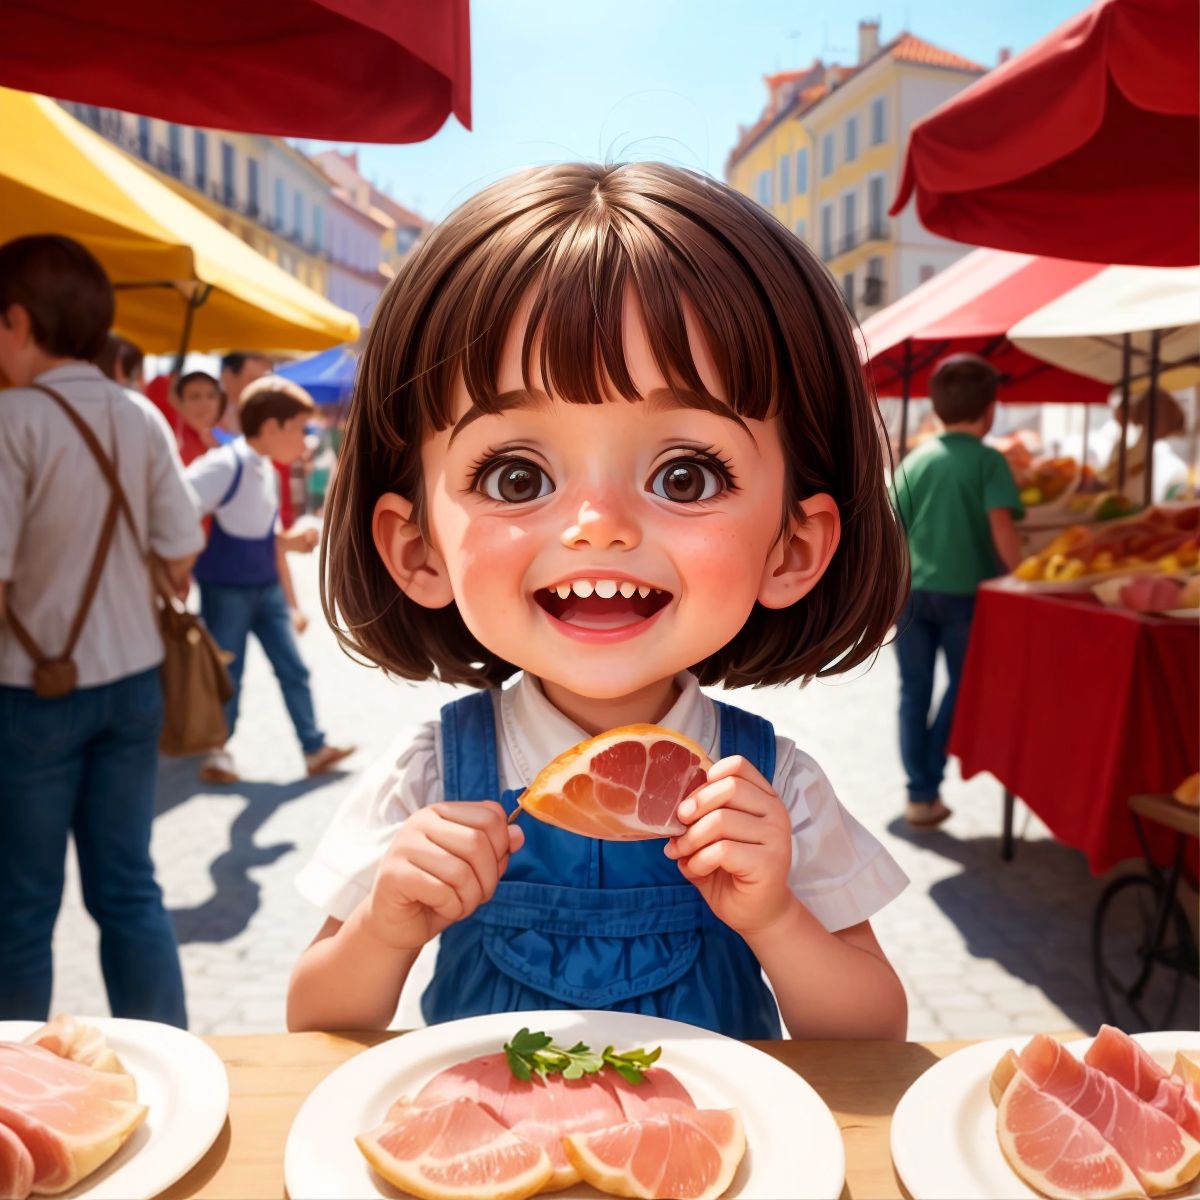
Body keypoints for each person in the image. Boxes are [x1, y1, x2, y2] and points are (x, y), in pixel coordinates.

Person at [287, 162, 911, 1041]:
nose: (599, 526)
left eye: (686, 475)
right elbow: (315, 1019)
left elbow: (873, 1034)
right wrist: (384, 929)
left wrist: (777, 919)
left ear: (793, 546)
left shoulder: (776, 789)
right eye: (515, 476)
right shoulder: (428, 777)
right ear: (417, 547)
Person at [0, 235, 203, 1025]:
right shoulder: (139, 413)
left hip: (31, 692)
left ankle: (15, 1087)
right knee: (128, 889)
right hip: (133, 683)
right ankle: (172, 1055)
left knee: (21, 907)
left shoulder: (10, 419)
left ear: (17, 321)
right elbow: (180, 549)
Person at [185, 376, 353, 785]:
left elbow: (268, 537)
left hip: (266, 588)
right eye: (298, 428)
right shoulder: (225, 463)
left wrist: (293, 599)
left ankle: (314, 748)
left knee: (293, 668)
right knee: (227, 673)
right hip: (225, 589)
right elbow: (175, 504)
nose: (304, 439)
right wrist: (177, 570)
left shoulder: (265, 469)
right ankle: (218, 750)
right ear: (272, 426)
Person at [889, 353, 1023, 828]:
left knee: (913, 693)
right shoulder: (989, 461)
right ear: (991, 410)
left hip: (910, 596)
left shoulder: (916, 459)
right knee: (962, 689)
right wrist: (1024, 576)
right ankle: (930, 776)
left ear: (936, 407)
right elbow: (1002, 527)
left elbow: (891, 529)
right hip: (965, 596)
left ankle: (919, 792)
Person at [171, 370, 229, 466]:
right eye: (195, 397)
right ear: (180, 403)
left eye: (211, 396)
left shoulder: (233, 443)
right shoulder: (172, 444)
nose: (204, 404)